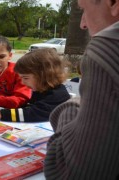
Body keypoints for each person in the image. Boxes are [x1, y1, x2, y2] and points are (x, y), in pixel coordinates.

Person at [44, 0, 119, 179]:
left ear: (114, 3)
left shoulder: (107, 48)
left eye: (84, 9)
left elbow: (72, 173)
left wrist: (69, 107)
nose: (83, 24)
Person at [0, 48, 70, 122]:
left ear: (44, 75)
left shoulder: (56, 95)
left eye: (25, 78)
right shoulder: (41, 89)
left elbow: (32, 113)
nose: (22, 82)